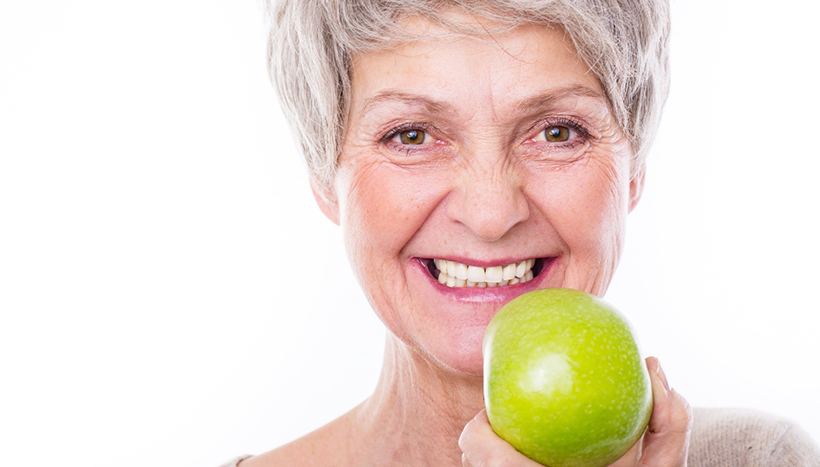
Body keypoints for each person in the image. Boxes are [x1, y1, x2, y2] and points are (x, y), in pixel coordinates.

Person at [222, 1, 820, 465]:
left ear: (633, 169)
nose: (490, 213)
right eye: (411, 135)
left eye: (558, 132)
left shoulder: (761, 458)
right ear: (328, 178)